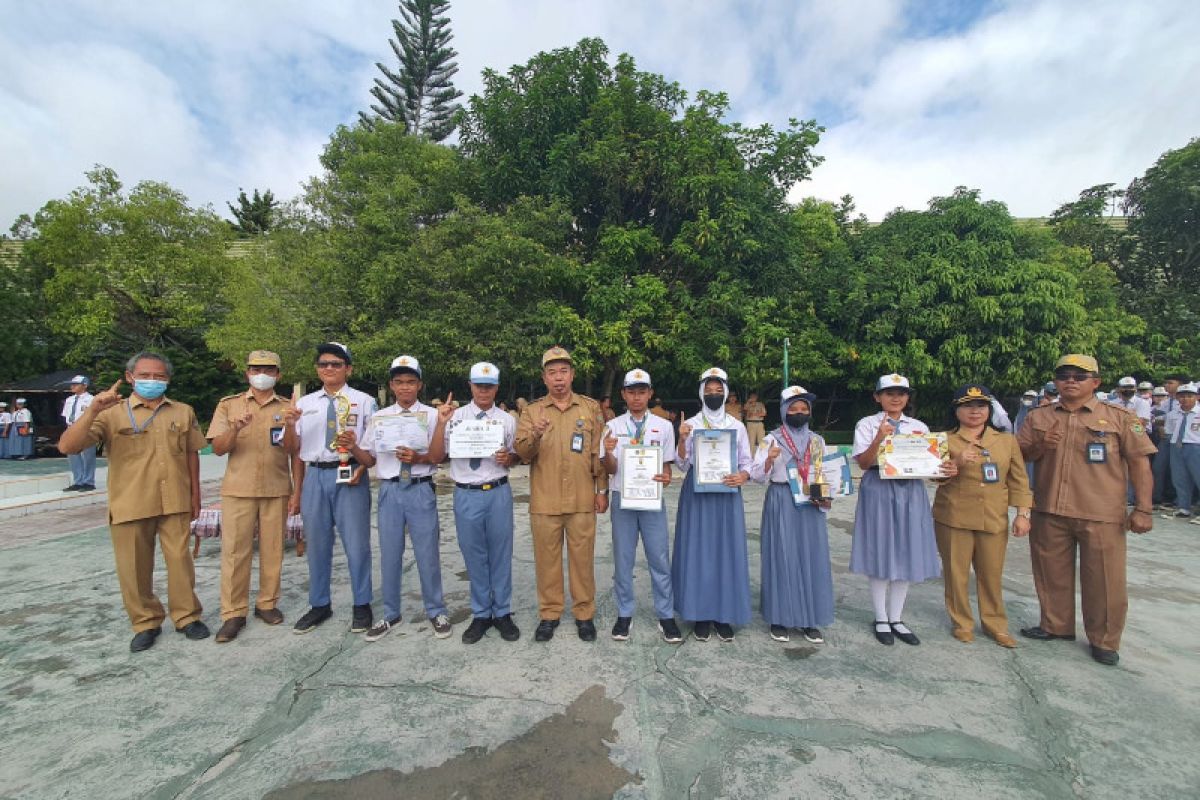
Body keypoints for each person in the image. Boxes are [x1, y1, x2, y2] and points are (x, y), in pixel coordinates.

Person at [57, 351, 209, 652]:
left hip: (174, 500)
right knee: (134, 567)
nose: (152, 381)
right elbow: (68, 446)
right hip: (131, 501)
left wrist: (196, 495)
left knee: (180, 563)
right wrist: (91, 411)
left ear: (168, 379)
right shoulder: (111, 413)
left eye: (159, 376)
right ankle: (145, 622)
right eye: (146, 375)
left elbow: (192, 453)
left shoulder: (182, 411)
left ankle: (187, 616)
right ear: (130, 378)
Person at [1017, 354, 1155, 666]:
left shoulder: (1120, 417)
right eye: (1063, 375)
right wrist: (1042, 446)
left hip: (1101, 512)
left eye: (1079, 376)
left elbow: (1140, 464)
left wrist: (1144, 509)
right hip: (1050, 507)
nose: (1070, 381)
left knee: (1105, 580)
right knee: (1050, 573)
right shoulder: (1039, 417)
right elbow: (1020, 455)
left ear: (1096, 382)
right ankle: (1055, 624)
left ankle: (1104, 640)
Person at [514, 347, 609, 643]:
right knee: (547, 560)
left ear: (572, 374)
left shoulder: (590, 408)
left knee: (583, 560)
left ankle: (584, 614)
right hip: (545, 500)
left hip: (582, 498)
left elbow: (599, 451)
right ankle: (550, 613)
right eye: (552, 372)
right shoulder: (532, 411)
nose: (559, 378)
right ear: (544, 377)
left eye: (563, 371)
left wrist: (602, 489)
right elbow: (522, 453)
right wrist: (537, 434)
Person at [283, 342, 378, 635]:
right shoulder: (304, 404)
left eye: (336, 364)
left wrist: (359, 461)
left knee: (357, 544)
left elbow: (372, 451)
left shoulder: (364, 402)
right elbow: (292, 450)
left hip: (350, 474)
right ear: (317, 369)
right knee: (318, 544)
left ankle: (362, 604)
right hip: (316, 476)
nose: (329, 369)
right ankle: (319, 604)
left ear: (348, 368)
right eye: (324, 364)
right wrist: (289, 425)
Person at [357, 355, 453, 642]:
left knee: (427, 552)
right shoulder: (380, 417)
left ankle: (436, 609)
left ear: (419, 384)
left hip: (421, 487)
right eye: (399, 382)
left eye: (411, 382)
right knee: (389, 551)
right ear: (391, 385)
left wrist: (419, 456)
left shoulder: (435, 416)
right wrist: (352, 448)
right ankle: (390, 613)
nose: (405, 388)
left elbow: (440, 457)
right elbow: (369, 458)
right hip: (390, 488)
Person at [932, 385, 1032, 647]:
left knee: (991, 574)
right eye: (967, 406)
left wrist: (1023, 514)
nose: (975, 412)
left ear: (989, 410)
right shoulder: (943, 439)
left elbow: (1019, 480)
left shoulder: (1006, 441)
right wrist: (958, 462)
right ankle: (962, 622)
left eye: (981, 406)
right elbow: (936, 477)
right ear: (956, 410)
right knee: (956, 573)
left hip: (993, 516)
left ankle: (995, 625)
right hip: (954, 515)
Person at [850, 373, 945, 646]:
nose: (895, 398)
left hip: (911, 489)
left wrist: (942, 467)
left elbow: (930, 464)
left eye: (901, 393)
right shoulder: (867, 424)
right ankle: (880, 617)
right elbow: (865, 463)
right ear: (877, 396)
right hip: (879, 487)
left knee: (906, 548)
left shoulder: (918, 426)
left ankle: (897, 618)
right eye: (889, 393)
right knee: (880, 549)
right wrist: (880, 436)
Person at [206, 351, 294, 643]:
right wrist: (234, 428)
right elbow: (218, 448)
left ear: (278, 375)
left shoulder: (287, 407)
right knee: (234, 552)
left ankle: (267, 603)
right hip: (238, 488)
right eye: (257, 369)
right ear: (247, 373)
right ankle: (233, 612)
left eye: (269, 369)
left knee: (273, 550)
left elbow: (295, 450)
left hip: (276, 487)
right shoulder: (229, 405)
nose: (262, 374)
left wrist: (292, 424)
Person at [671, 367, 753, 642]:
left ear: (726, 394)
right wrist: (682, 439)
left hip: (727, 493)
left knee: (725, 551)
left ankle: (723, 614)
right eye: (709, 391)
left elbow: (746, 463)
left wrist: (742, 475)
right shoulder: (691, 424)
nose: (714, 395)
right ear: (701, 393)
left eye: (719, 391)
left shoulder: (736, 426)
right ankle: (700, 614)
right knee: (699, 552)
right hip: (698, 492)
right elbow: (682, 464)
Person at [749, 385, 834, 644]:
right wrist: (768, 461)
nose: (799, 412)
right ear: (784, 411)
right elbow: (756, 476)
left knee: (811, 556)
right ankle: (780, 617)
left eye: (804, 408)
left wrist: (826, 496)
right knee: (781, 556)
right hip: (781, 497)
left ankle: (810, 619)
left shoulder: (817, 440)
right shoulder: (771, 439)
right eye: (793, 408)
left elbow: (826, 473)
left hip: (810, 500)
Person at [601, 369, 681, 643]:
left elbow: (667, 470)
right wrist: (608, 452)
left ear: (649, 393)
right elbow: (609, 469)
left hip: (651, 500)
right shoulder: (612, 427)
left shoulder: (664, 426)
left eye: (642, 391)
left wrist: (666, 478)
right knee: (623, 559)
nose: (637, 397)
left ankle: (666, 614)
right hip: (622, 498)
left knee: (659, 558)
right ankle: (624, 614)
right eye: (631, 392)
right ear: (623, 394)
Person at [446, 362, 521, 644]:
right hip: (466, 491)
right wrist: (441, 423)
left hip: (497, 491)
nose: (484, 390)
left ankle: (502, 612)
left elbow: (516, 455)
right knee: (473, 554)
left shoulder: (507, 420)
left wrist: (508, 459)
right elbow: (441, 452)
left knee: (501, 553)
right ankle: (480, 613)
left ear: (497, 388)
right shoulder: (453, 417)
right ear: (470, 386)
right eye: (479, 385)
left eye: (489, 386)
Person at [1163, 382, 1200, 520]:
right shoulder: (1173, 414)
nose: (1185, 399)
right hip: (1176, 446)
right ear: (1177, 397)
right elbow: (1169, 431)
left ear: (1196, 397)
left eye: (1189, 396)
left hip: (1195, 446)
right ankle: (1183, 507)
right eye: (1182, 396)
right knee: (1180, 478)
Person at [1152, 373, 1188, 508]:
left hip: (1183, 438)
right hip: (1166, 438)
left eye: (1170, 382)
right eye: (1166, 382)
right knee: (1159, 467)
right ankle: (1159, 497)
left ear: (1180, 384)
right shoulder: (1165, 402)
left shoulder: (1187, 400)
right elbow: (1158, 418)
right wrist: (1160, 426)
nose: (1166, 385)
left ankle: (1180, 500)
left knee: (1181, 470)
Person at [61, 376, 96, 490]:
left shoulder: (91, 399)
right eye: (72, 384)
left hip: (86, 428)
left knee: (88, 456)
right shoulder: (69, 400)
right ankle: (78, 480)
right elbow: (66, 416)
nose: (72, 386)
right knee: (73, 455)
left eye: (76, 384)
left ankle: (88, 481)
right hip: (72, 428)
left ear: (85, 385)